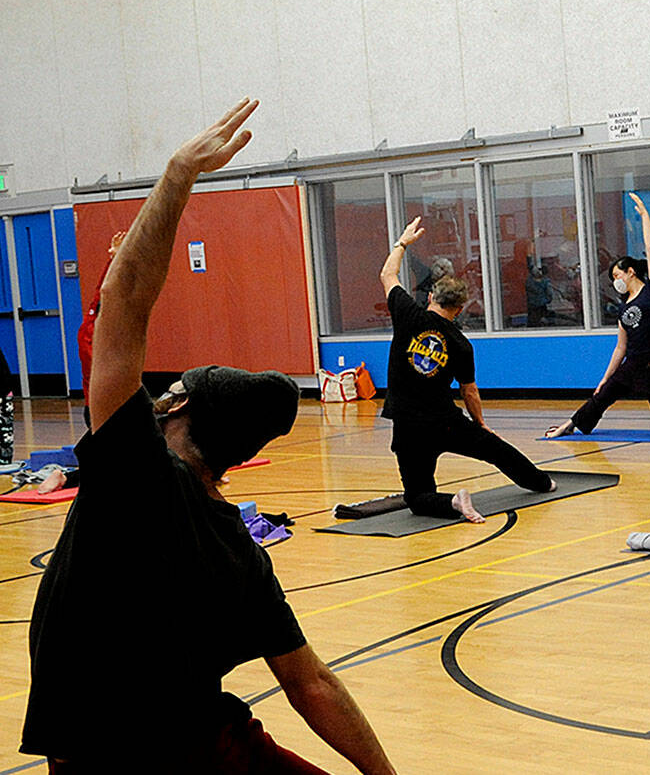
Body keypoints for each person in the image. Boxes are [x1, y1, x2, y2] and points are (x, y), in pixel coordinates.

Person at [22, 99, 395, 773]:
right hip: (218, 750)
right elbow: (312, 684)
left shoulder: (136, 477)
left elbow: (125, 308)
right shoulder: (241, 552)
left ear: (175, 405)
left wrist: (176, 177)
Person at [381, 220, 554, 522]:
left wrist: (403, 243)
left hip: (408, 426)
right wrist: (480, 424)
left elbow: (388, 274)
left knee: (418, 498)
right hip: (445, 422)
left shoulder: (407, 314)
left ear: (431, 298)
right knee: (496, 450)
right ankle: (542, 482)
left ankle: (455, 503)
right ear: (459, 309)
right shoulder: (461, 343)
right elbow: (469, 391)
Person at [544, 193, 650, 439]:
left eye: (617, 275)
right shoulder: (623, 306)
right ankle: (568, 425)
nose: (615, 281)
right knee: (600, 398)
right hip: (632, 365)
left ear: (630, 272)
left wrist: (644, 216)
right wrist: (605, 379)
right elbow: (620, 347)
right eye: (612, 278)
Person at [75, 230, 126, 428]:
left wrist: (114, 258)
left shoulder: (96, 322)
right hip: (100, 410)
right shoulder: (92, 333)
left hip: (104, 406)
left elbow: (102, 290)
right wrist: (115, 258)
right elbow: (104, 291)